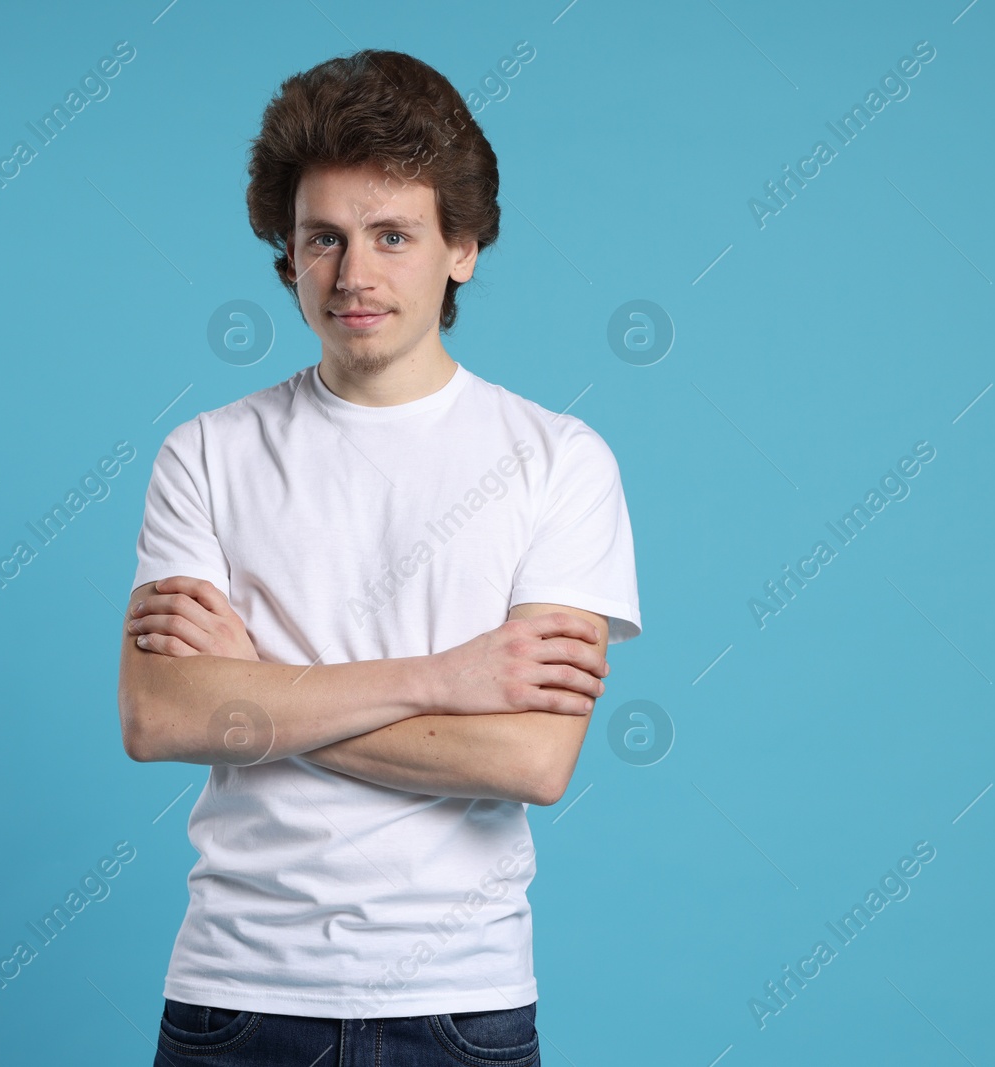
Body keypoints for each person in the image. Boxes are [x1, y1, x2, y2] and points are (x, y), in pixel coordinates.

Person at [117, 48, 641, 1067]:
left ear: (463, 248)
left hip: (460, 1001)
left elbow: (530, 758)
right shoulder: (207, 453)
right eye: (324, 239)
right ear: (288, 253)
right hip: (234, 993)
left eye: (392, 235)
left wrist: (256, 691)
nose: (352, 275)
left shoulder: (557, 460)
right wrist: (444, 679)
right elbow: (157, 716)